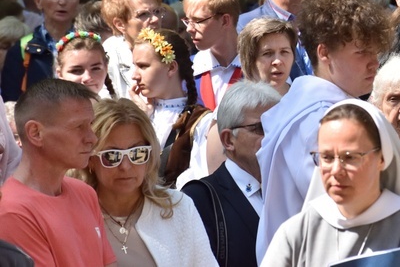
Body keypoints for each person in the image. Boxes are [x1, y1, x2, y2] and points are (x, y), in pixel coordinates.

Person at [255, 0, 391, 262]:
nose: (374, 63)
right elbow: (346, 205)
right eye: (362, 52)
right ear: (324, 53)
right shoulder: (321, 119)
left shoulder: (302, 104)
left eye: (377, 52)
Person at [263, 101, 400, 266]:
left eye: (350, 157)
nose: (336, 170)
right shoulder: (297, 234)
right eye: (327, 157)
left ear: (382, 158)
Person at [79, 98, 217, 265]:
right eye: (112, 155)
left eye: (137, 153)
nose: (125, 166)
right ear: (91, 159)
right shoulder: (74, 214)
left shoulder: (178, 206)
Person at [0, 79, 116, 266]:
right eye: (79, 127)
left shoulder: (85, 193)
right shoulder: (12, 211)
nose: (92, 138)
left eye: (90, 125)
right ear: (35, 133)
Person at [182, 81, 281, 267]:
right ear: (228, 140)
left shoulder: (292, 190)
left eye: (278, 126)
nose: (274, 136)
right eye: (261, 128)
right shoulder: (199, 199)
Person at [131, 28, 213, 188]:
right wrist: (141, 119)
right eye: (134, 66)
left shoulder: (200, 121)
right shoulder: (138, 111)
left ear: (171, 68)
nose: (135, 75)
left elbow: (199, 181)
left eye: (143, 66)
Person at [1, 0, 83, 102]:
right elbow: (11, 102)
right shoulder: (21, 49)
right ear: (38, 1)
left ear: (78, 1)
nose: (62, 2)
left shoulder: (90, 44)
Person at [101, 0, 164, 99]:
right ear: (120, 24)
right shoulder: (107, 58)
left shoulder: (174, 49)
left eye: (157, 11)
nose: (155, 19)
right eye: (143, 14)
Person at [182, 0, 242, 110]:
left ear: (225, 21)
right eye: (187, 20)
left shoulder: (260, 66)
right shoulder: (186, 69)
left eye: (197, 21)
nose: (189, 29)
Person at [237, 17, 297, 96]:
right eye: (267, 53)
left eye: (284, 52)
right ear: (249, 60)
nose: (278, 61)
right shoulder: (233, 105)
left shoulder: (308, 102)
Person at [55, 30, 115, 98]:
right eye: (76, 71)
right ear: (60, 74)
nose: (87, 77)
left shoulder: (117, 107)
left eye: (95, 69)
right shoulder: (48, 108)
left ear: (106, 68)